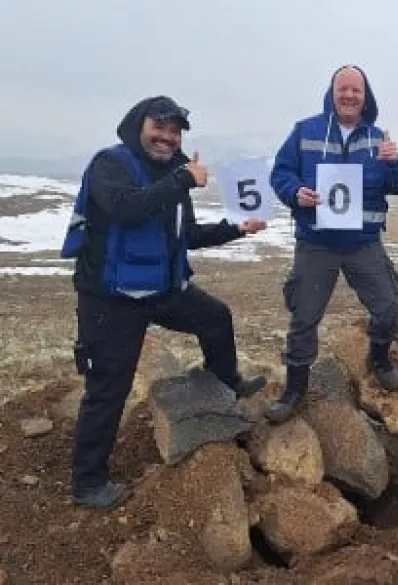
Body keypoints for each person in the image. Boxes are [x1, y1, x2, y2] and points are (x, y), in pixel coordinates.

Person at [62, 96, 268, 508]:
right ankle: (88, 483)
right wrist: (184, 179)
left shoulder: (172, 174)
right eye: (159, 127)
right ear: (138, 125)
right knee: (108, 390)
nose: (167, 137)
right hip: (111, 300)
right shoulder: (110, 164)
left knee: (215, 317)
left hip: (162, 290)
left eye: (175, 132)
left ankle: (226, 382)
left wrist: (236, 229)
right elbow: (125, 209)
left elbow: (185, 234)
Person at [266, 65, 398, 424]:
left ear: (365, 97)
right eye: (342, 89)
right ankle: (295, 387)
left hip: (363, 242)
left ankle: (379, 358)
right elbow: (280, 173)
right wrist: (295, 192)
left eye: (356, 90)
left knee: (388, 306)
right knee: (304, 317)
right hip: (316, 243)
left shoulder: (378, 138)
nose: (349, 95)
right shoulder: (305, 131)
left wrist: (394, 163)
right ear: (332, 93)